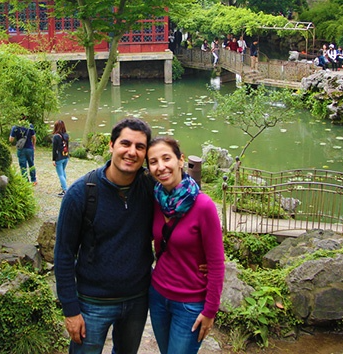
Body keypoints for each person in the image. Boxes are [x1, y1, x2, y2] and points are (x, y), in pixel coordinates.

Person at [54, 117, 155, 354]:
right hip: (92, 302)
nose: (132, 152)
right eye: (125, 143)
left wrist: (198, 258)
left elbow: (186, 209)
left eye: (140, 147)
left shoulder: (151, 188)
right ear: (111, 145)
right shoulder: (80, 193)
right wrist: (71, 310)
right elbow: (64, 255)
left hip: (137, 299)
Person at [146, 137, 225, 354]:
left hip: (190, 303)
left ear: (180, 160)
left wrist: (210, 311)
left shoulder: (203, 206)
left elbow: (216, 263)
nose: (161, 167)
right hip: (158, 295)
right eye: (153, 162)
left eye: (166, 158)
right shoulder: (156, 199)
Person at [9, 119, 37, 185]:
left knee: (23, 166)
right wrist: (33, 146)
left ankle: (25, 181)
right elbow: (34, 138)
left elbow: (11, 140)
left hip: (21, 149)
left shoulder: (15, 127)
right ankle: (33, 180)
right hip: (29, 148)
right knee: (31, 164)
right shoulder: (30, 126)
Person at [52, 120, 70, 196]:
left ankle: (65, 190)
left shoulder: (56, 136)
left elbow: (54, 149)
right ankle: (64, 186)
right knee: (63, 171)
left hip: (59, 158)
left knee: (60, 175)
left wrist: (53, 159)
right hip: (66, 156)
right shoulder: (66, 135)